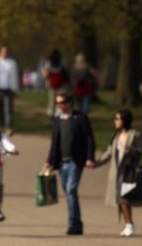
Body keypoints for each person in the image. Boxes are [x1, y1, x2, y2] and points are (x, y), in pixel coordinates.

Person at [44, 92, 96, 235]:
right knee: (68, 193)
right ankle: (77, 223)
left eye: (61, 102)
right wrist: (49, 161)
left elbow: (89, 139)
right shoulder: (57, 120)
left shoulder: (80, 118)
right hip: (61, 162)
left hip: (76, 161)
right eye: (57, 103)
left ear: (69, 103)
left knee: (71, 190)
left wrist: (89, 157)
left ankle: (73, 224)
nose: (59, 105)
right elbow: (54, 143)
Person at [93, 109, 142, 237]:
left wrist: (131, 150)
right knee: (120, 199)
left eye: (117, 119)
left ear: (124, 120)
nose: (115, 121)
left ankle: (129, 224)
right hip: (116, 172)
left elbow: (140, 151)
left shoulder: (135, 134)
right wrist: (96, 163)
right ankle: (128, 224)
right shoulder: (116, 136)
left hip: (128, 171)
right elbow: (108, 153)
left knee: (124, 198)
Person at [0, 46, 21, 134]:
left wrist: (16, 90)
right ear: (0, 52)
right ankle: (0, 126)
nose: (5, 53)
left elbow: (15, 77)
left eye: (6, 52)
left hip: (8, 88)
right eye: (3, 51)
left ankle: (8, 126)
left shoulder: (12, 63)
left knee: (8, 108)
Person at [44, 50, 69, 118]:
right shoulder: (62, 62)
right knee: (60, 100)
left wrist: (47, 80)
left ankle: (50, 113)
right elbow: (66, 73)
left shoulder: (49, 63)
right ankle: (57, 113)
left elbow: (46, 74)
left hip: (51, 84)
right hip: (61, 84)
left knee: (51, 100)